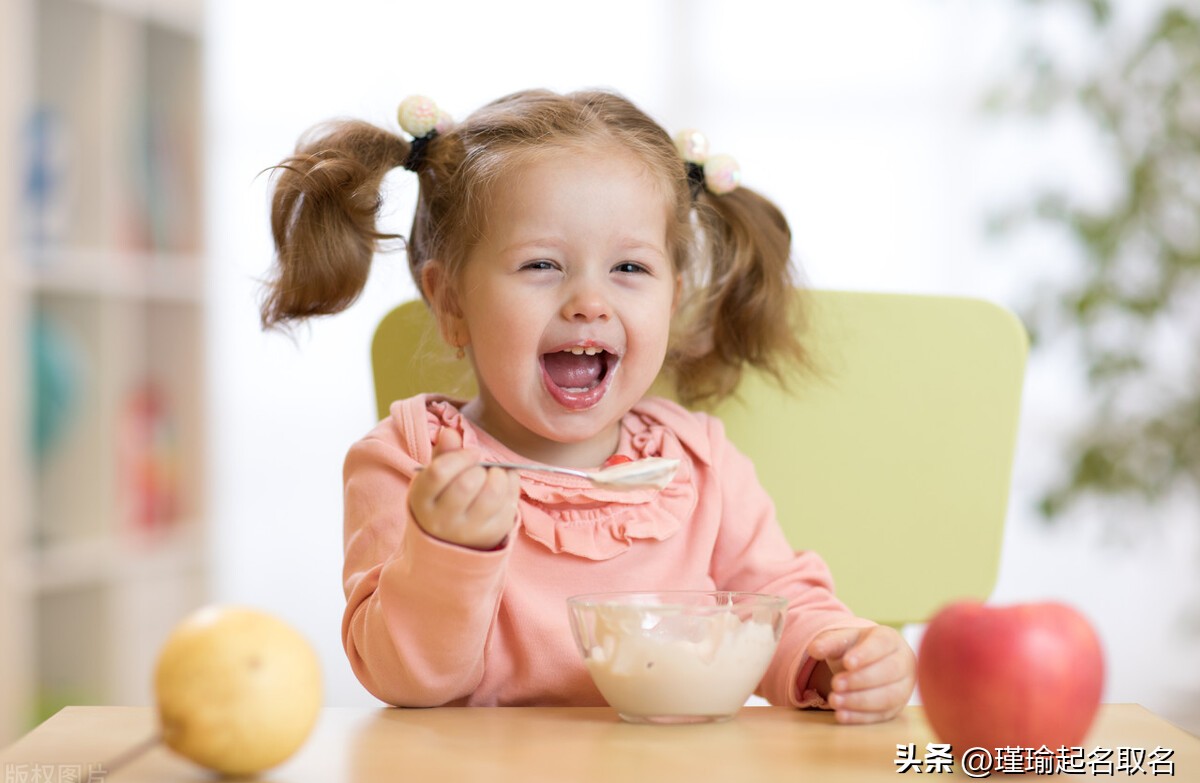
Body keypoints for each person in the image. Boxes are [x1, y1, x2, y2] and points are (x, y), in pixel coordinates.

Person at [260, 89, 916, 723]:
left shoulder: (699, 463)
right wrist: (446, 553)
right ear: (452, 303)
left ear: (672, 296)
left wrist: (836, 656)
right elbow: (404, 681)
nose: (589, 302)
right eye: (542, 265)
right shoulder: (409, 463)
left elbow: (777, 607)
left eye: (629, 269)